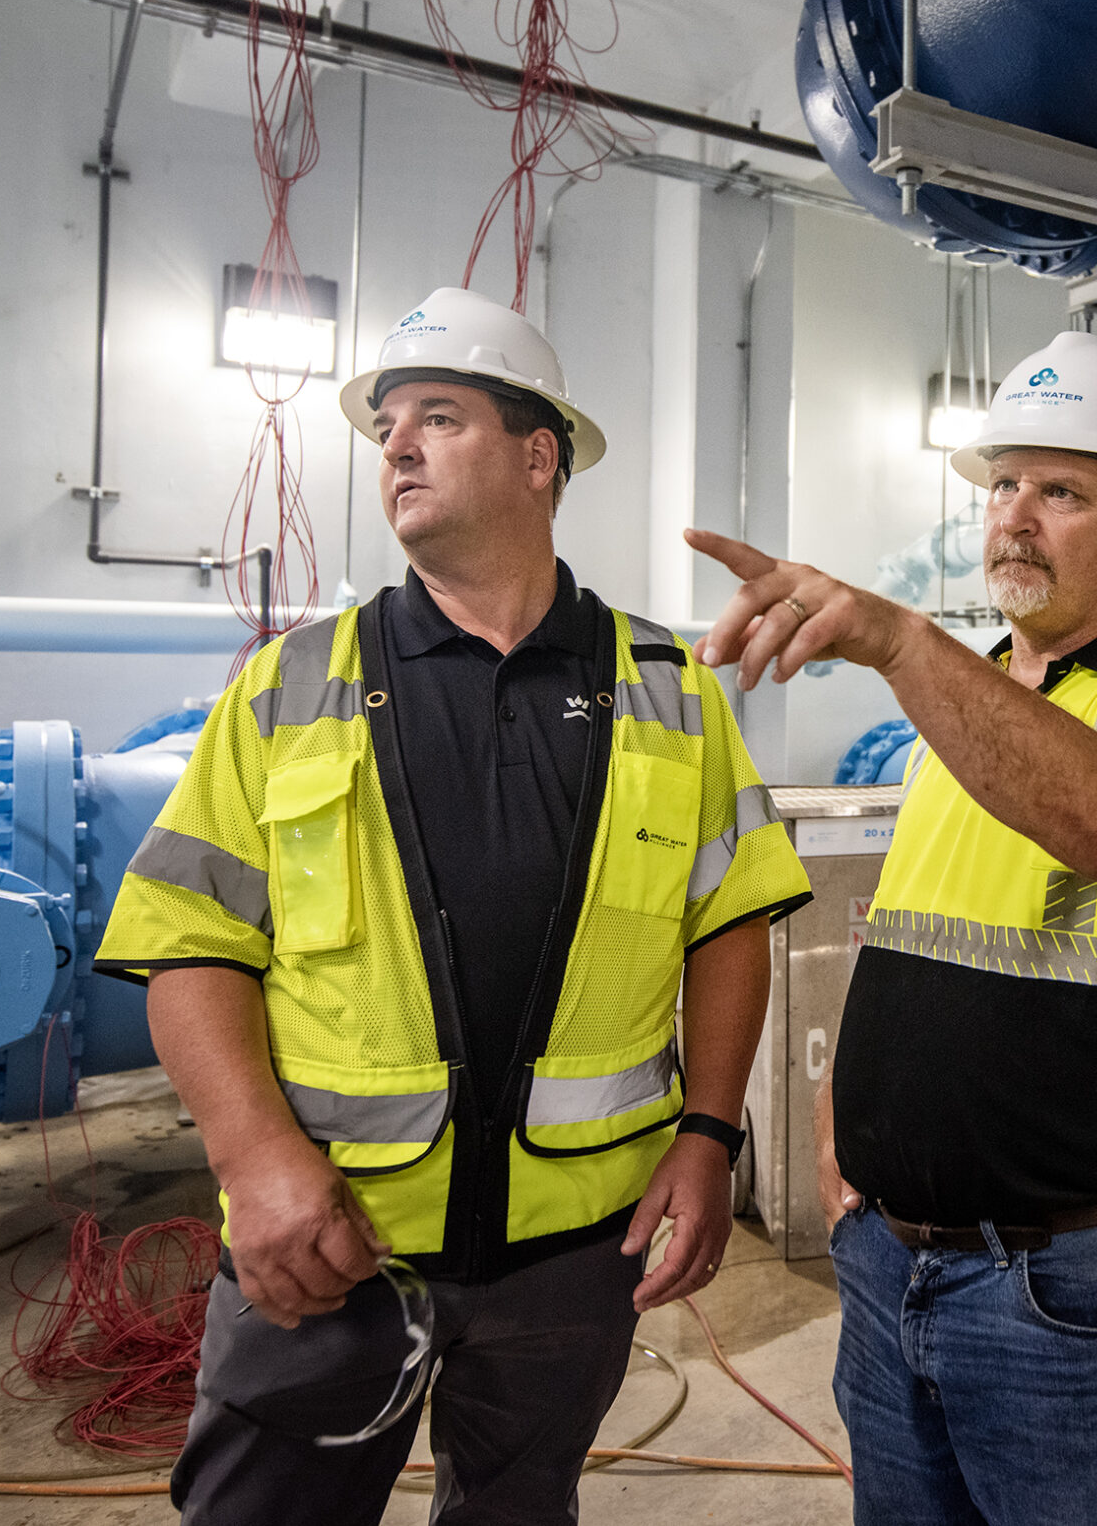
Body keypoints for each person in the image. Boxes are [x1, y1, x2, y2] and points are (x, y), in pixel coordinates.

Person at [96, 286, 813, 1525]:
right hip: (328, 1245)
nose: (398, 446)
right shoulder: (288, 685)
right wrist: (254, 1159)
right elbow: (188, 942)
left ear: (538, 459)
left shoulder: (671, 692)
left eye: (439, 416)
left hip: (576, 1254)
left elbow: (728, 921)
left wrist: (710, 1136)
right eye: (386, 428)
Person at [687, 327, 1097, 1526]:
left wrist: (904, 643)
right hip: (892, 1260)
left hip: (1078, 1285)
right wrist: (844, 1105)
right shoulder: (966, 717)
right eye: (1005, 483)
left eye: (1062, 490)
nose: (1015, 516)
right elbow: (910, 928)